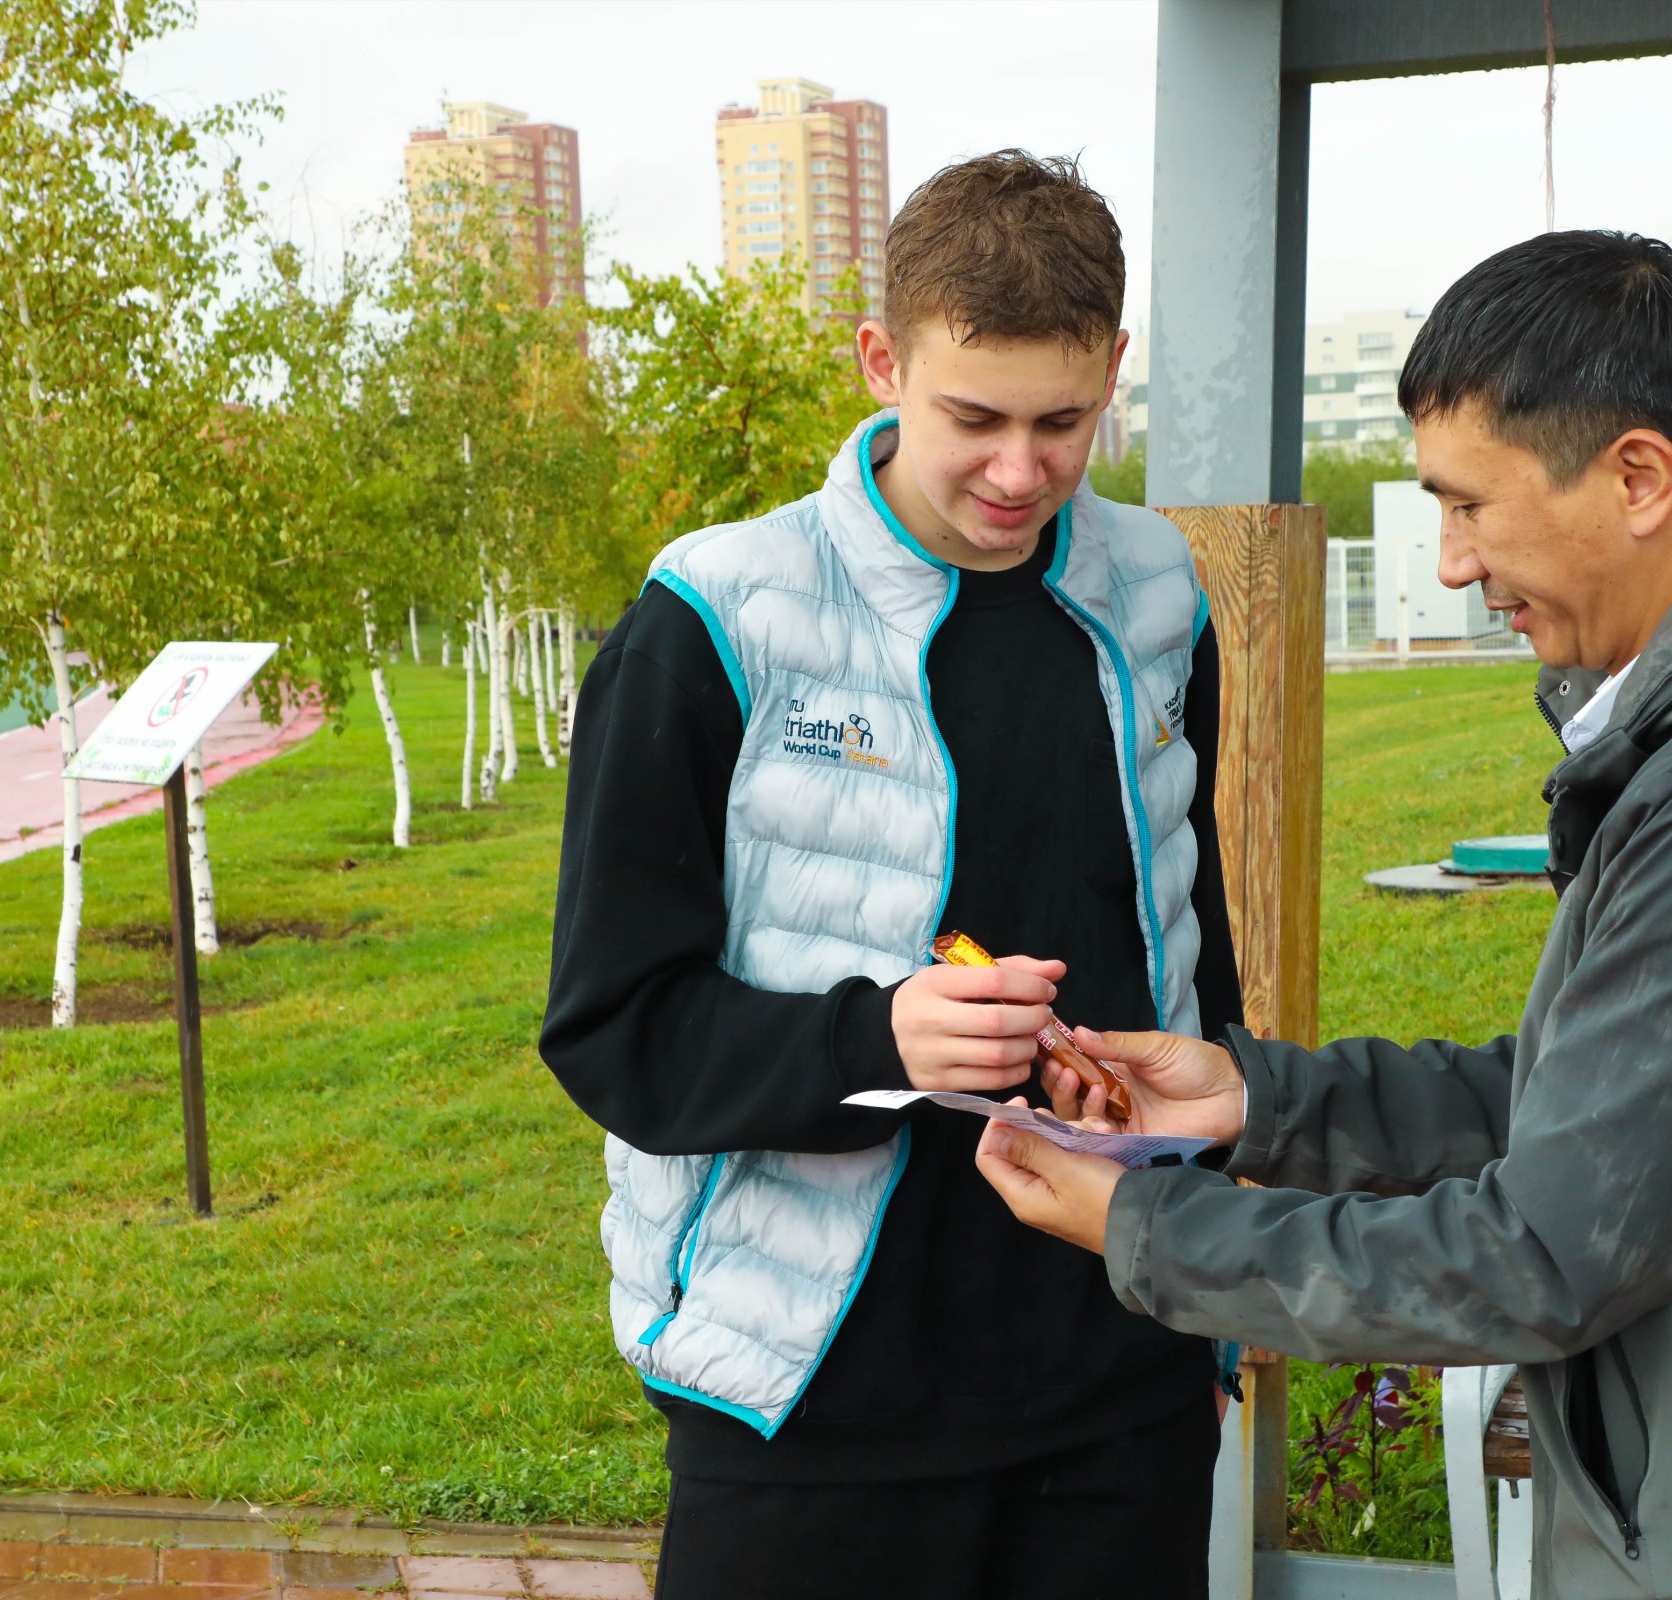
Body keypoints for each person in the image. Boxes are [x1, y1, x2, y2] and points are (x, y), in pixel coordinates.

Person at [976, 230, 1672, 1597]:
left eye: (1470, 505)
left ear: (1640, 478)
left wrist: (1147, 1229)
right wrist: (1258, 1103)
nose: (1450, 563)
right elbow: (1614, 1105)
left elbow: (1542, 1254)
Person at [542, 150, 1243, 1600]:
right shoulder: (716, 618)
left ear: (1115, 369)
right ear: (882, 362)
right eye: (973, 418)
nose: (1019, 472)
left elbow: (1194, 945)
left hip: (1122, 1385)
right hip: (810, 1412)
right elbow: (614, 1030)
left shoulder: (1162, 594)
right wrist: (874, 1042)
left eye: (1062, 422)